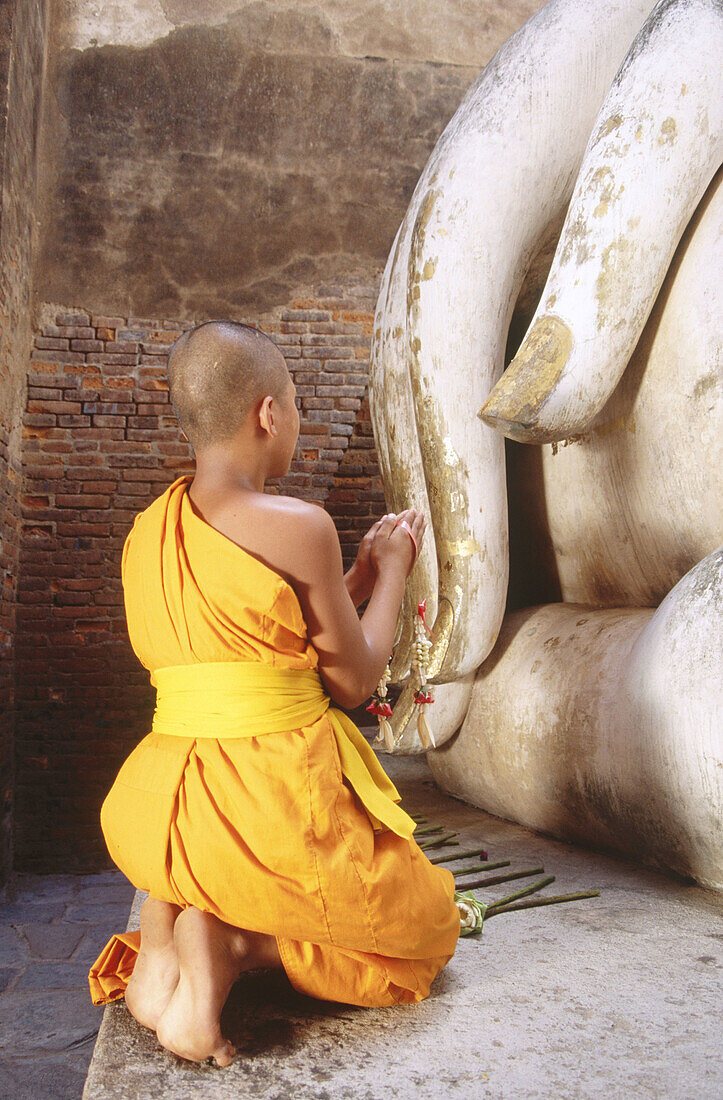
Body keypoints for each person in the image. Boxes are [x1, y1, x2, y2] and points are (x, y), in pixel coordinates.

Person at [88, 320, 462, 1066]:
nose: (294, 419)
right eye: (293, 403)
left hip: (163, 815)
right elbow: (352, 680)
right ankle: (234, 944)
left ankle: (169, 932)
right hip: (264, 810)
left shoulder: (145, 534)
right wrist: (391, 569)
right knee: (425, 932)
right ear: (267, 413)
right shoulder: (299, 525)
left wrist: (346, 582)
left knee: (210, 872)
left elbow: (266, 639)